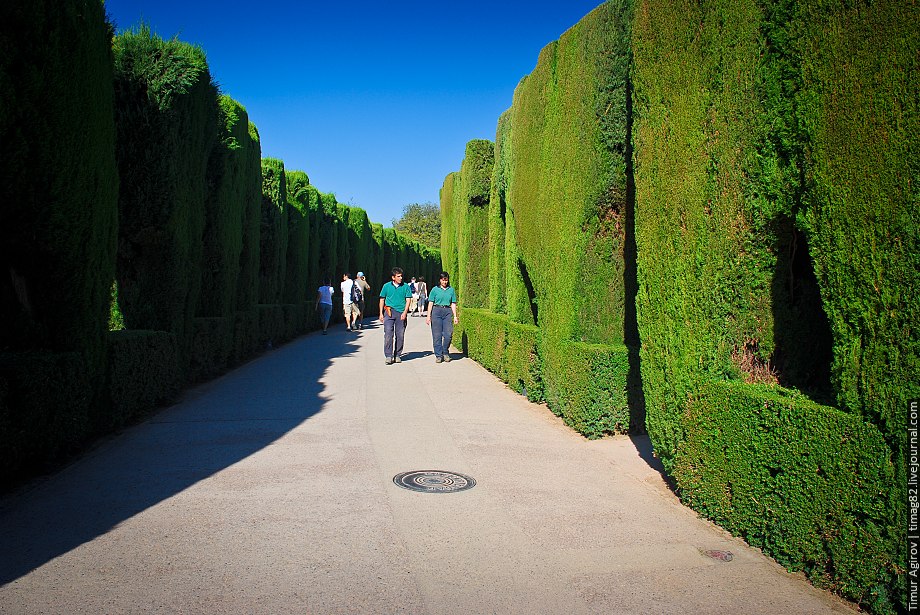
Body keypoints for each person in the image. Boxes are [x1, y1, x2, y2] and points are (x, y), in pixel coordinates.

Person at [378, 267, 412, 364]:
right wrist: (380, 313)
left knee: (400, 335)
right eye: (398, 276)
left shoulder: (405, 287)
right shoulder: (386, 286)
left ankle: (397, 354)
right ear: (393, 277)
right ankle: (388, 355)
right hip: (389, 312)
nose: (401, 278)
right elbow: (382, 299)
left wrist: (405, 312)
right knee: (388, 333)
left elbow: (408, 300)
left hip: (401, 313)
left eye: (401, 276)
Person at [426, 271, 458, 363]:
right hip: (437, 311)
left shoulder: (451, 290)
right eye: (443, 280)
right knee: (437, 335)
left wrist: (455, 316)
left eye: (446, 280)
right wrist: (428, 316)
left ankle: (445, 352)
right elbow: (431, 302)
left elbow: (453, 303)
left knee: (448, 334)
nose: (445, 282)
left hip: (447, 311)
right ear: (440, 280)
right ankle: (438, 355)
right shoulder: (435, 290)